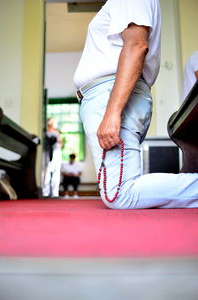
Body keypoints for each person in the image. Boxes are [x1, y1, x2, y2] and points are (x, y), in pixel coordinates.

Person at [74, 0, 198, 209]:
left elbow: (136, 45)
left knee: (119, 194)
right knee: (116, 190)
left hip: (110, 94)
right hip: (108, 93)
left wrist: (113, 113)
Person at [42, 117, 62, 198]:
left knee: (56, 172)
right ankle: (45, 192)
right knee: (46, 171)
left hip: (56, 152)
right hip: (46, 152)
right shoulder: (44, 131)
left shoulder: (57, 132)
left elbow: (60, 144)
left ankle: (55, 192)